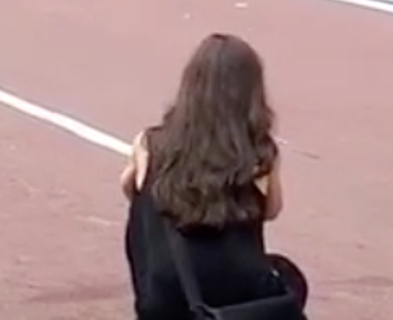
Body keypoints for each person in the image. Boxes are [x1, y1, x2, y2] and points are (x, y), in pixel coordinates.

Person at [123, 33, 307, 320]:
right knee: (286, 283)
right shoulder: (259, 153)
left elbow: (132, 190)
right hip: (235, 294)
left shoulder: (150, 144)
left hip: (168, 291)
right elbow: (272, 210)